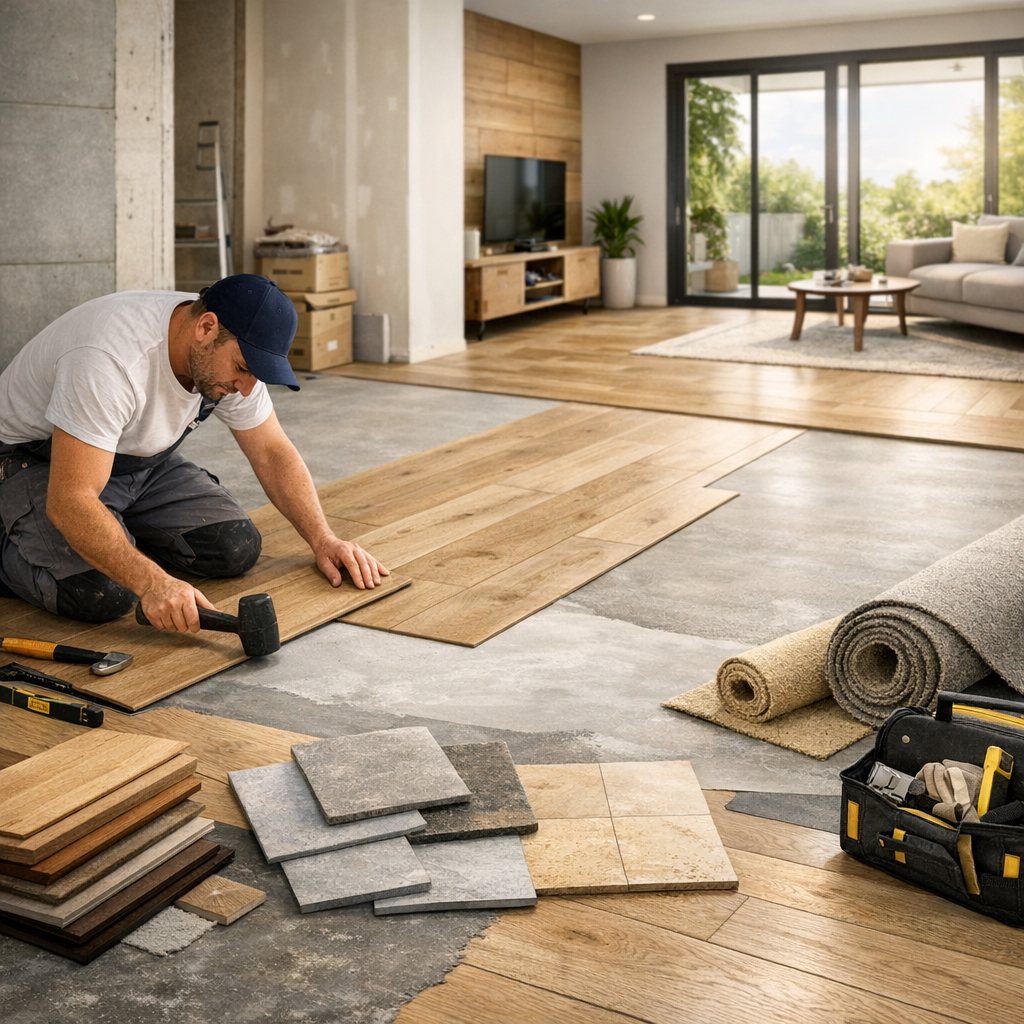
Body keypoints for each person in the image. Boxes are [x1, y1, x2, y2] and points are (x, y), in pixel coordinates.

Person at [0, 275, 387, 634]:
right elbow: (71, 500)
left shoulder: (224, 354)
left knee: (235, 547)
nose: (247, 388)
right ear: (206, 328)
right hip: (38, 463)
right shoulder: (110, 361)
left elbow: (271, 451)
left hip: (136, 463)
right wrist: (152, 582)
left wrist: (324, 539)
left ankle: (113, 536)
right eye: (242, 369)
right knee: (103, 593)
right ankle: (14, 540)